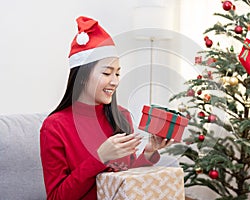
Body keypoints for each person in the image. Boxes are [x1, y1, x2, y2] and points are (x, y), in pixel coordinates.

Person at [40, 16, 173, 200]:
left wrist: (149, 152)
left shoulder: (122, 116)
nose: (115, 81)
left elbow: (127, 181)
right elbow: (56, 197)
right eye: (107, 73)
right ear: (83, 77)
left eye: (117, 73)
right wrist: (100, 158)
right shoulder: (54, 127)